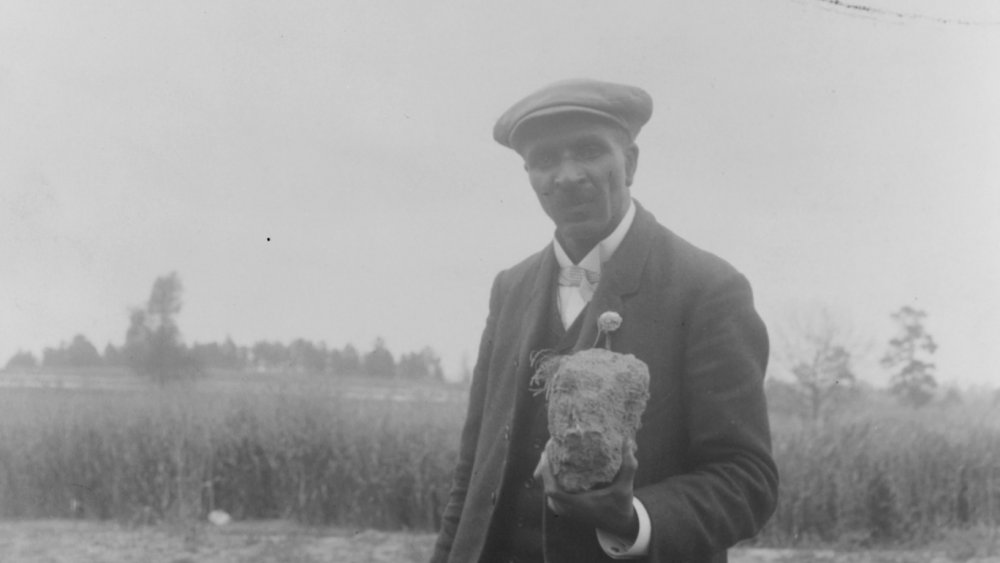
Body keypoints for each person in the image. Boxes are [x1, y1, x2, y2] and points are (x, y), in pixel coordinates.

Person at [431, 79, 778, 563]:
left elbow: (747, 479)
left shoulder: (708, 288)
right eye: (546, 160)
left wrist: (631, 519)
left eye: (589, 151)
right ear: (529, 174)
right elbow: (472, 470)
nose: (568, 175)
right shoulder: (510, 287)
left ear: (630, 163)